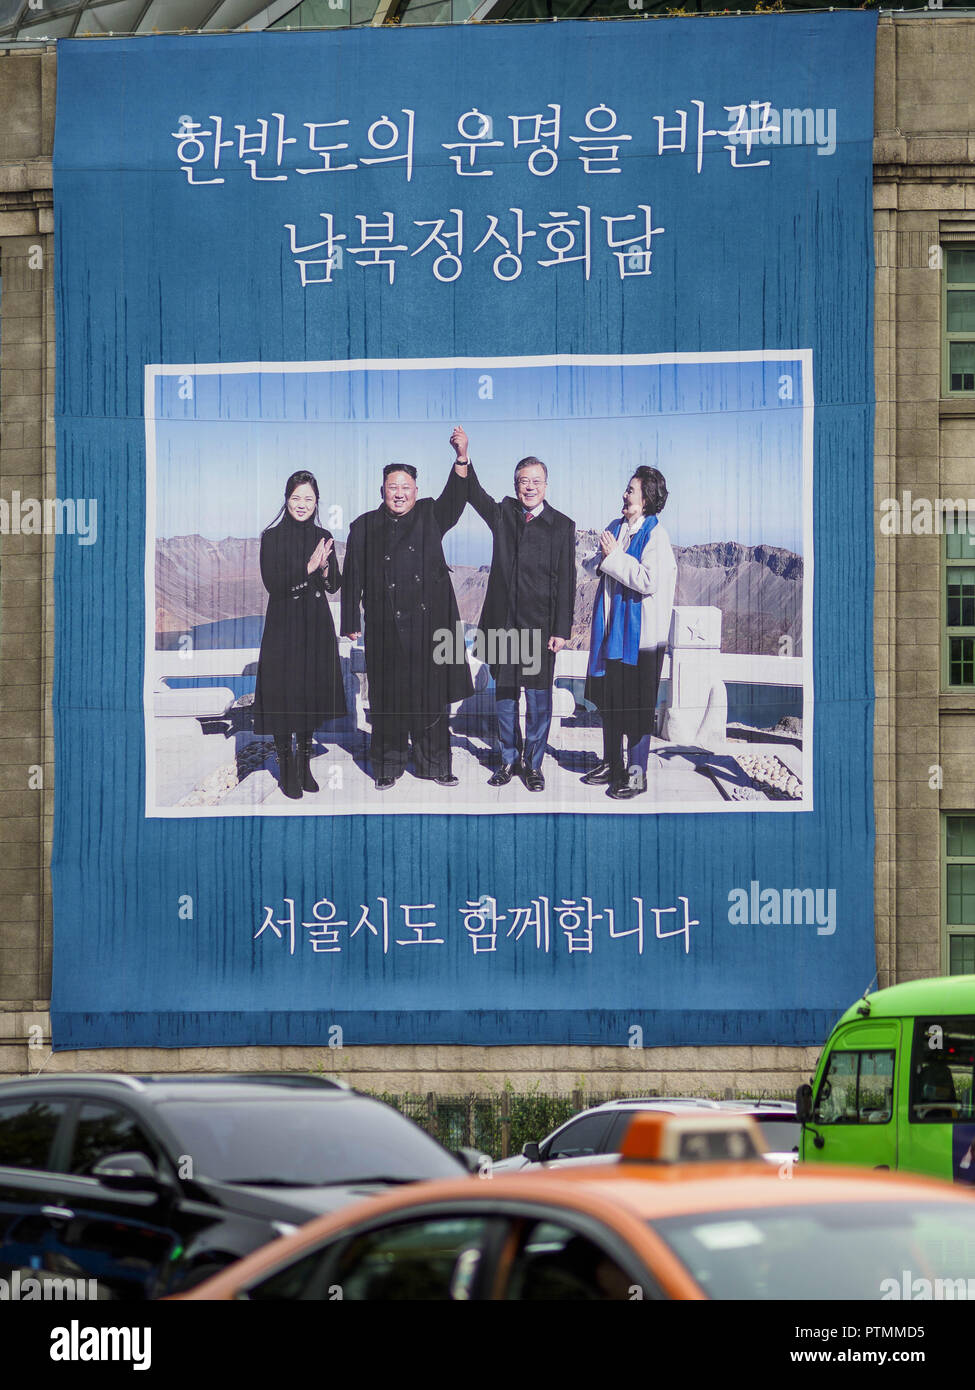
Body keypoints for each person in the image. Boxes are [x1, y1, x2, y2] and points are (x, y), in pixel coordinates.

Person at [340, 440, 472, 789]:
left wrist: (461, 458)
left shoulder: (431, 513)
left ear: (416, 490)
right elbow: (352, 575)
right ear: (381, 490)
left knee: (432, 699)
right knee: (387, 699)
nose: (399, 494)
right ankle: (387, 766)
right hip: (385, 626)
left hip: (431, 625)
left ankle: (437, 764)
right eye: (392, 488)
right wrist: (351, 621)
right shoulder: (363, 526)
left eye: (406, 488)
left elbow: (456, 499)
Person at [455, 428, 576, 793]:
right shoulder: (505, 513)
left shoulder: (562, 526)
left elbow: (567, 582)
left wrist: (561, 629)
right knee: (506, 697)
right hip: (504, 626)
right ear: (516, 484)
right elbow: (474, 494)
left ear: (546, 485)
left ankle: (533, 765)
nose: (529, 487)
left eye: (536, 481)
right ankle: (508, 758)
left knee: (539, 702)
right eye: (523, 481)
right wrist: (463, 456)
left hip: (540, 628)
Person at [252, 470, 347, 801]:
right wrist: (307, 569)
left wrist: (324, 568)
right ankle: (287, 766)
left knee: (308, 694)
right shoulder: (271, 537)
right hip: (283, 624)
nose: (302, 504)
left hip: (316, 624)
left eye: (308, 498)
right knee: (282, 694)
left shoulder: (323, 535)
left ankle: (304, 764)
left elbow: (334, 584)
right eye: (296, 498)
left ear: (317, 501)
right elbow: (273, 584)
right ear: (286, 499)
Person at [583, 467, 677, 800]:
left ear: (647, 498)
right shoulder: (615, 528)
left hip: (640, 640)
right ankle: (612, 764)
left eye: (631, 490)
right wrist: (601, 555)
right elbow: (595, 563)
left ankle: (637, 776)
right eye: (626, 490)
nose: (625, 495)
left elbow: (648, 580)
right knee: (611, 702)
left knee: (637, 709)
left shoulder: (656, 537)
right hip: (612, 633)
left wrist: (613, 556)